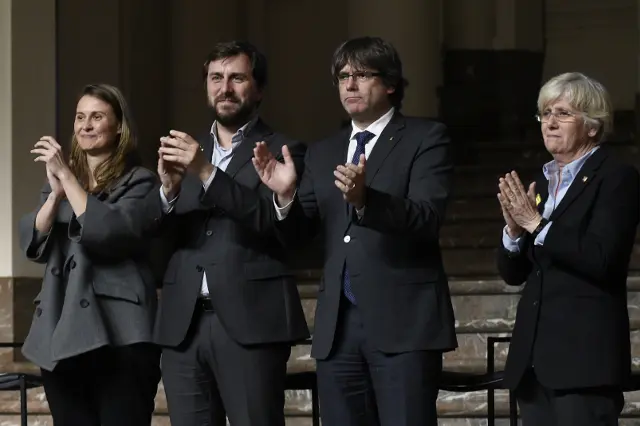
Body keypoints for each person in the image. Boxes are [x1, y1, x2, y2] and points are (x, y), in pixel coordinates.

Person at [252, 36, 458, 426]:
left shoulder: (426, 138)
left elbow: (427, 217)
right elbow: (300, 236)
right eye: (343, 76)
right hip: (338, 328)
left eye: (362, 75)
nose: (350, 84)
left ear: (391, 83)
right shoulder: (323, 150)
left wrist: (366, 201)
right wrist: (285, 196)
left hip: (403, 323)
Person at [145, 40, 309, 426]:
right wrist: (167, 194)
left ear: (259, 89)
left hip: (251, 321)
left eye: (237, 78)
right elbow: (156, 245)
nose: (225, 88)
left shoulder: (285, 150)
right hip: (183, 324)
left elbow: (276, 226)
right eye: (216, 78)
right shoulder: (185, 151)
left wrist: (206, 172)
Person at [496, 72, 639, 426]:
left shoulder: (616, 178)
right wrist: (514, 232)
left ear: (592, 125)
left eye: (562, 113)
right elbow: (514, 275)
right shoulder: (542, 182)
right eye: (545, 113)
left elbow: (602, 259)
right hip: (533, 365)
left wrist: (537, 225)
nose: (550, 123)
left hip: (583, 365)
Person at [18, 83, 161, 426]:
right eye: (80, 117)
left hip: (121, 334)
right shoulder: (63, 184)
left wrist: (67, 177)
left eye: (97, 117)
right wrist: (55, 194)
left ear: (119, 126)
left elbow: (109, 230)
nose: (86, 125)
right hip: (61, 328)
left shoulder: (141, 182)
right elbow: (33, 241)